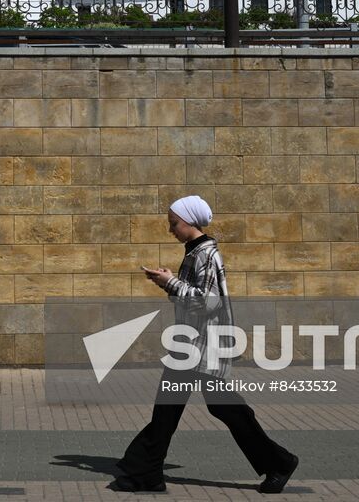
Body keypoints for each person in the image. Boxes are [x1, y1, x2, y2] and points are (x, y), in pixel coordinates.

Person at [112, 195, 299, 494]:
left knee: (214, 409)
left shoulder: (206, 255)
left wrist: (169, 283)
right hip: (192, 346)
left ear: (188, 221)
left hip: (203, 348)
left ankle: (279, 462)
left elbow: (207, 302)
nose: (170, 229)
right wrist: (170, 280)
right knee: (180, 409)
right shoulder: (195, 253)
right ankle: (146, 473)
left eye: (173, 223)